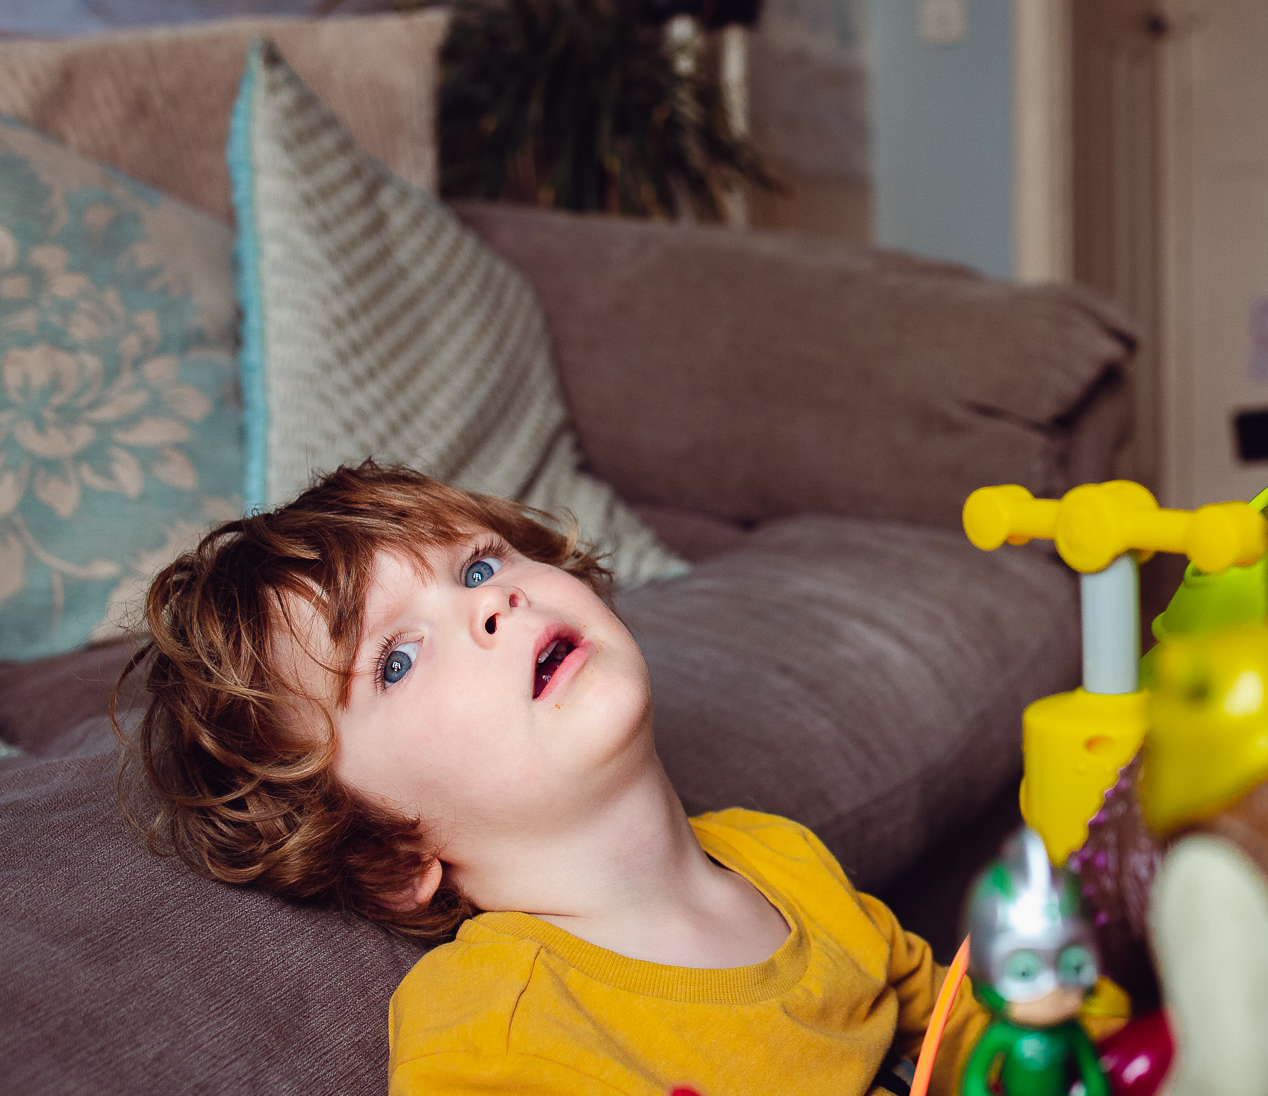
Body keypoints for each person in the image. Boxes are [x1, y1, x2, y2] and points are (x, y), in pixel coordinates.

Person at [118, 462, 982, 1095]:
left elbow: (960, 1022)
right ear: (386, 850)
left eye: (480, 566)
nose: (491, 604)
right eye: (396, 659)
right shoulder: (501, 1032)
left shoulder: (780, 856)